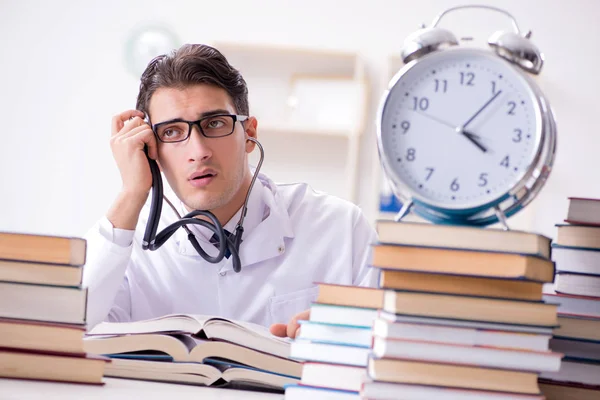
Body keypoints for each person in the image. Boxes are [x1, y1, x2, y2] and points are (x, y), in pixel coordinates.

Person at [82, 43, 377, 338]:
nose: (198, 152)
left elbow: (387, 347)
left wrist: (342, 339)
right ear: (151, 149)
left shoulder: (342, 230)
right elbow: (72, 329)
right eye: (172, 132)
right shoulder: (126, 242)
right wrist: (132, 192)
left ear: (249, 134)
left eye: (214, 123)